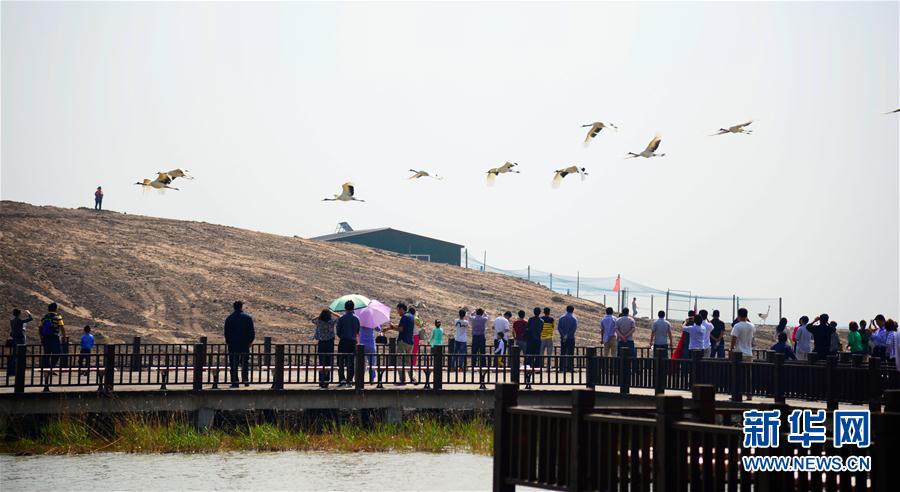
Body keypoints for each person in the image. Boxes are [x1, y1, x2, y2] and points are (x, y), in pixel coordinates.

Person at [224, 301, 255, 388]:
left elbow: (226, 333)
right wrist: (250, 342)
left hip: (233, 344)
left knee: (234, 363)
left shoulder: (229, 318)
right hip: (244, 344)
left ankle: (235, 381)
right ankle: (245, 380)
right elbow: (251, 332)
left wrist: (229, 342)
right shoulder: (248, 318)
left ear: (234, 307)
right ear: (241, 307)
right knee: (245, 363)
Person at [386, 303, 417, 385]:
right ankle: (412, 378)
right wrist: (391, 327)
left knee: (400, 361)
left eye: (398, 310)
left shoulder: (404, 317)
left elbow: (401, 329)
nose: (397, 312)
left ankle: (402, 379)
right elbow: (403, 326)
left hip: (402, 341)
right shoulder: (411, 316)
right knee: (408, 361)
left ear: (401, 309)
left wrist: (392, 327)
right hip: (410, 342)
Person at [39, 302, 66, 390]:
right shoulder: (58, 317)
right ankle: (51, 368)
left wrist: (41, 338)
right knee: (57, 353)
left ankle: (46, 371)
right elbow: (62, 327)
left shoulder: (44, 317)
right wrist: (64, 337)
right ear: (55, 309)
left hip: (46, 339)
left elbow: (40, 328)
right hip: (54, 338)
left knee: (46, 354)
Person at [729, 308, 755, 398]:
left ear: (738, 315)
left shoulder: (737, 326)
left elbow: (733, 339)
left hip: (739, 353)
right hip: (749, 353)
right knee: (748, 375)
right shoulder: (751, 326)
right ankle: (749, 394)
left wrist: (731, 350)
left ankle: (737, 394)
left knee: (737, 375)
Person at [335, 300, 360, 387]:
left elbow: (338, 332)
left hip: (343, 341)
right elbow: (357, 331)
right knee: (351, 362)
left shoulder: (341, 319)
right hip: (352, 342)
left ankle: (342, 379)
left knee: (341, 362)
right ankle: (350, 380)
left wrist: (342, 335)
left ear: (345, 308)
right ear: (353, 308)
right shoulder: (356, 318)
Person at [312, 309, 337, 388]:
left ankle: (321, 380)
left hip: (321, 343)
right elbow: (340, 317)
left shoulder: (319, 321)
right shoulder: (331, 322)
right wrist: (332, 312)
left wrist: (319, 316)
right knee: (328, 362)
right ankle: (327, 380)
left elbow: (312, 320)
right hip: (330, 343)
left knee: (321, 362)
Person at [7, 308, 32, 375]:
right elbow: (30, 319)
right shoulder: (20, 321)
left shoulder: (11, 321)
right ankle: (19, 371)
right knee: (20, 355)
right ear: (19, 314)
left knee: (14, 355)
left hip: (14, 340)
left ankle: (12, 371)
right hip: (20, 340)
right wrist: (29, 313)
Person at [557, 306, 577, 372]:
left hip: (563, 338)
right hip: (571, 338)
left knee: (563, 353)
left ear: (566, 310)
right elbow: (574, 329)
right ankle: (570, 368)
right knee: (570, 353)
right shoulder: (574, 319)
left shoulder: (561, 317)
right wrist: (568, 335)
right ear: (573, 310)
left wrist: (563, 335)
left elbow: (559, 328)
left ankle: (561, 368)